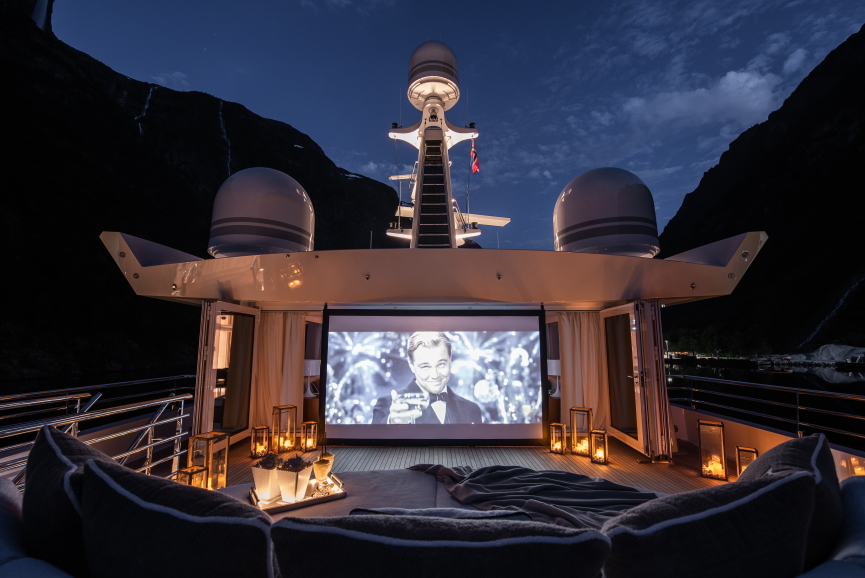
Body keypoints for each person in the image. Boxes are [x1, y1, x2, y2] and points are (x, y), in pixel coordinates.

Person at [372, 332, 482, 425]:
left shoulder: (472, 409)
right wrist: (391, 422)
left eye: (441, 364)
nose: (435, 375)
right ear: (411, 365)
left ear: (450, 359)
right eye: (425, 366)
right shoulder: (386, 405)